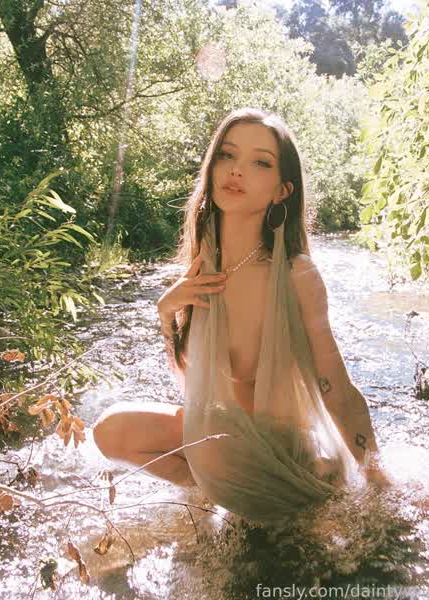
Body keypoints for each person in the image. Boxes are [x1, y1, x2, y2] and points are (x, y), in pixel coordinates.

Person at [93, 107, 392, 520]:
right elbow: (190, 384)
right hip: (220, 444)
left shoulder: (295, 274)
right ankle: (216, 499)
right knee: (111, 429)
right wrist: (166, 312)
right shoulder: (203, 266)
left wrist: (376, 478)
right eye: (227, 155)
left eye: (260, 163)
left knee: (212, 442)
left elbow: (337, 388)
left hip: (284, 453)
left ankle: (269, 509)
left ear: (282, 190)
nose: (236, 170)